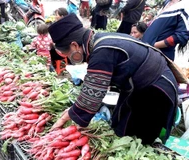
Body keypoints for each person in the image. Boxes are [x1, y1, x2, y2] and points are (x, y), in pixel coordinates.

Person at [48, 13, 178, 144]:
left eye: (66, 54)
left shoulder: (102, 51)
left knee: (135, 138)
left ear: (75, 45)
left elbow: (92, 95)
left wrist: (68, 115)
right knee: (119, 122)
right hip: (143, 85)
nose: (69, 58)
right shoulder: (98, 40)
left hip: (155, 91)